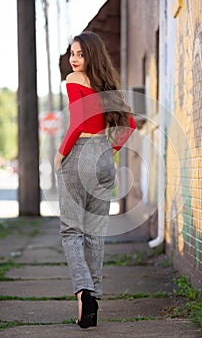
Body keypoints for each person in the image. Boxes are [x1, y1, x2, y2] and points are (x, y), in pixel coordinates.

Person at [54, 31, 136, 329]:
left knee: (71, 231)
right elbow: (130, 125)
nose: (74, 60)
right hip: (103, 157)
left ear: (91, 55)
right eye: (72, 54)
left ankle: (84, 292)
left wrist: (61, 153)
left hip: (80, 155)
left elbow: (76, 122)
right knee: (95, 232)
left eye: (80, 54)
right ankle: (90, 302)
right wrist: (109, 150)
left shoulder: (74, 81)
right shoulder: (108, 85)